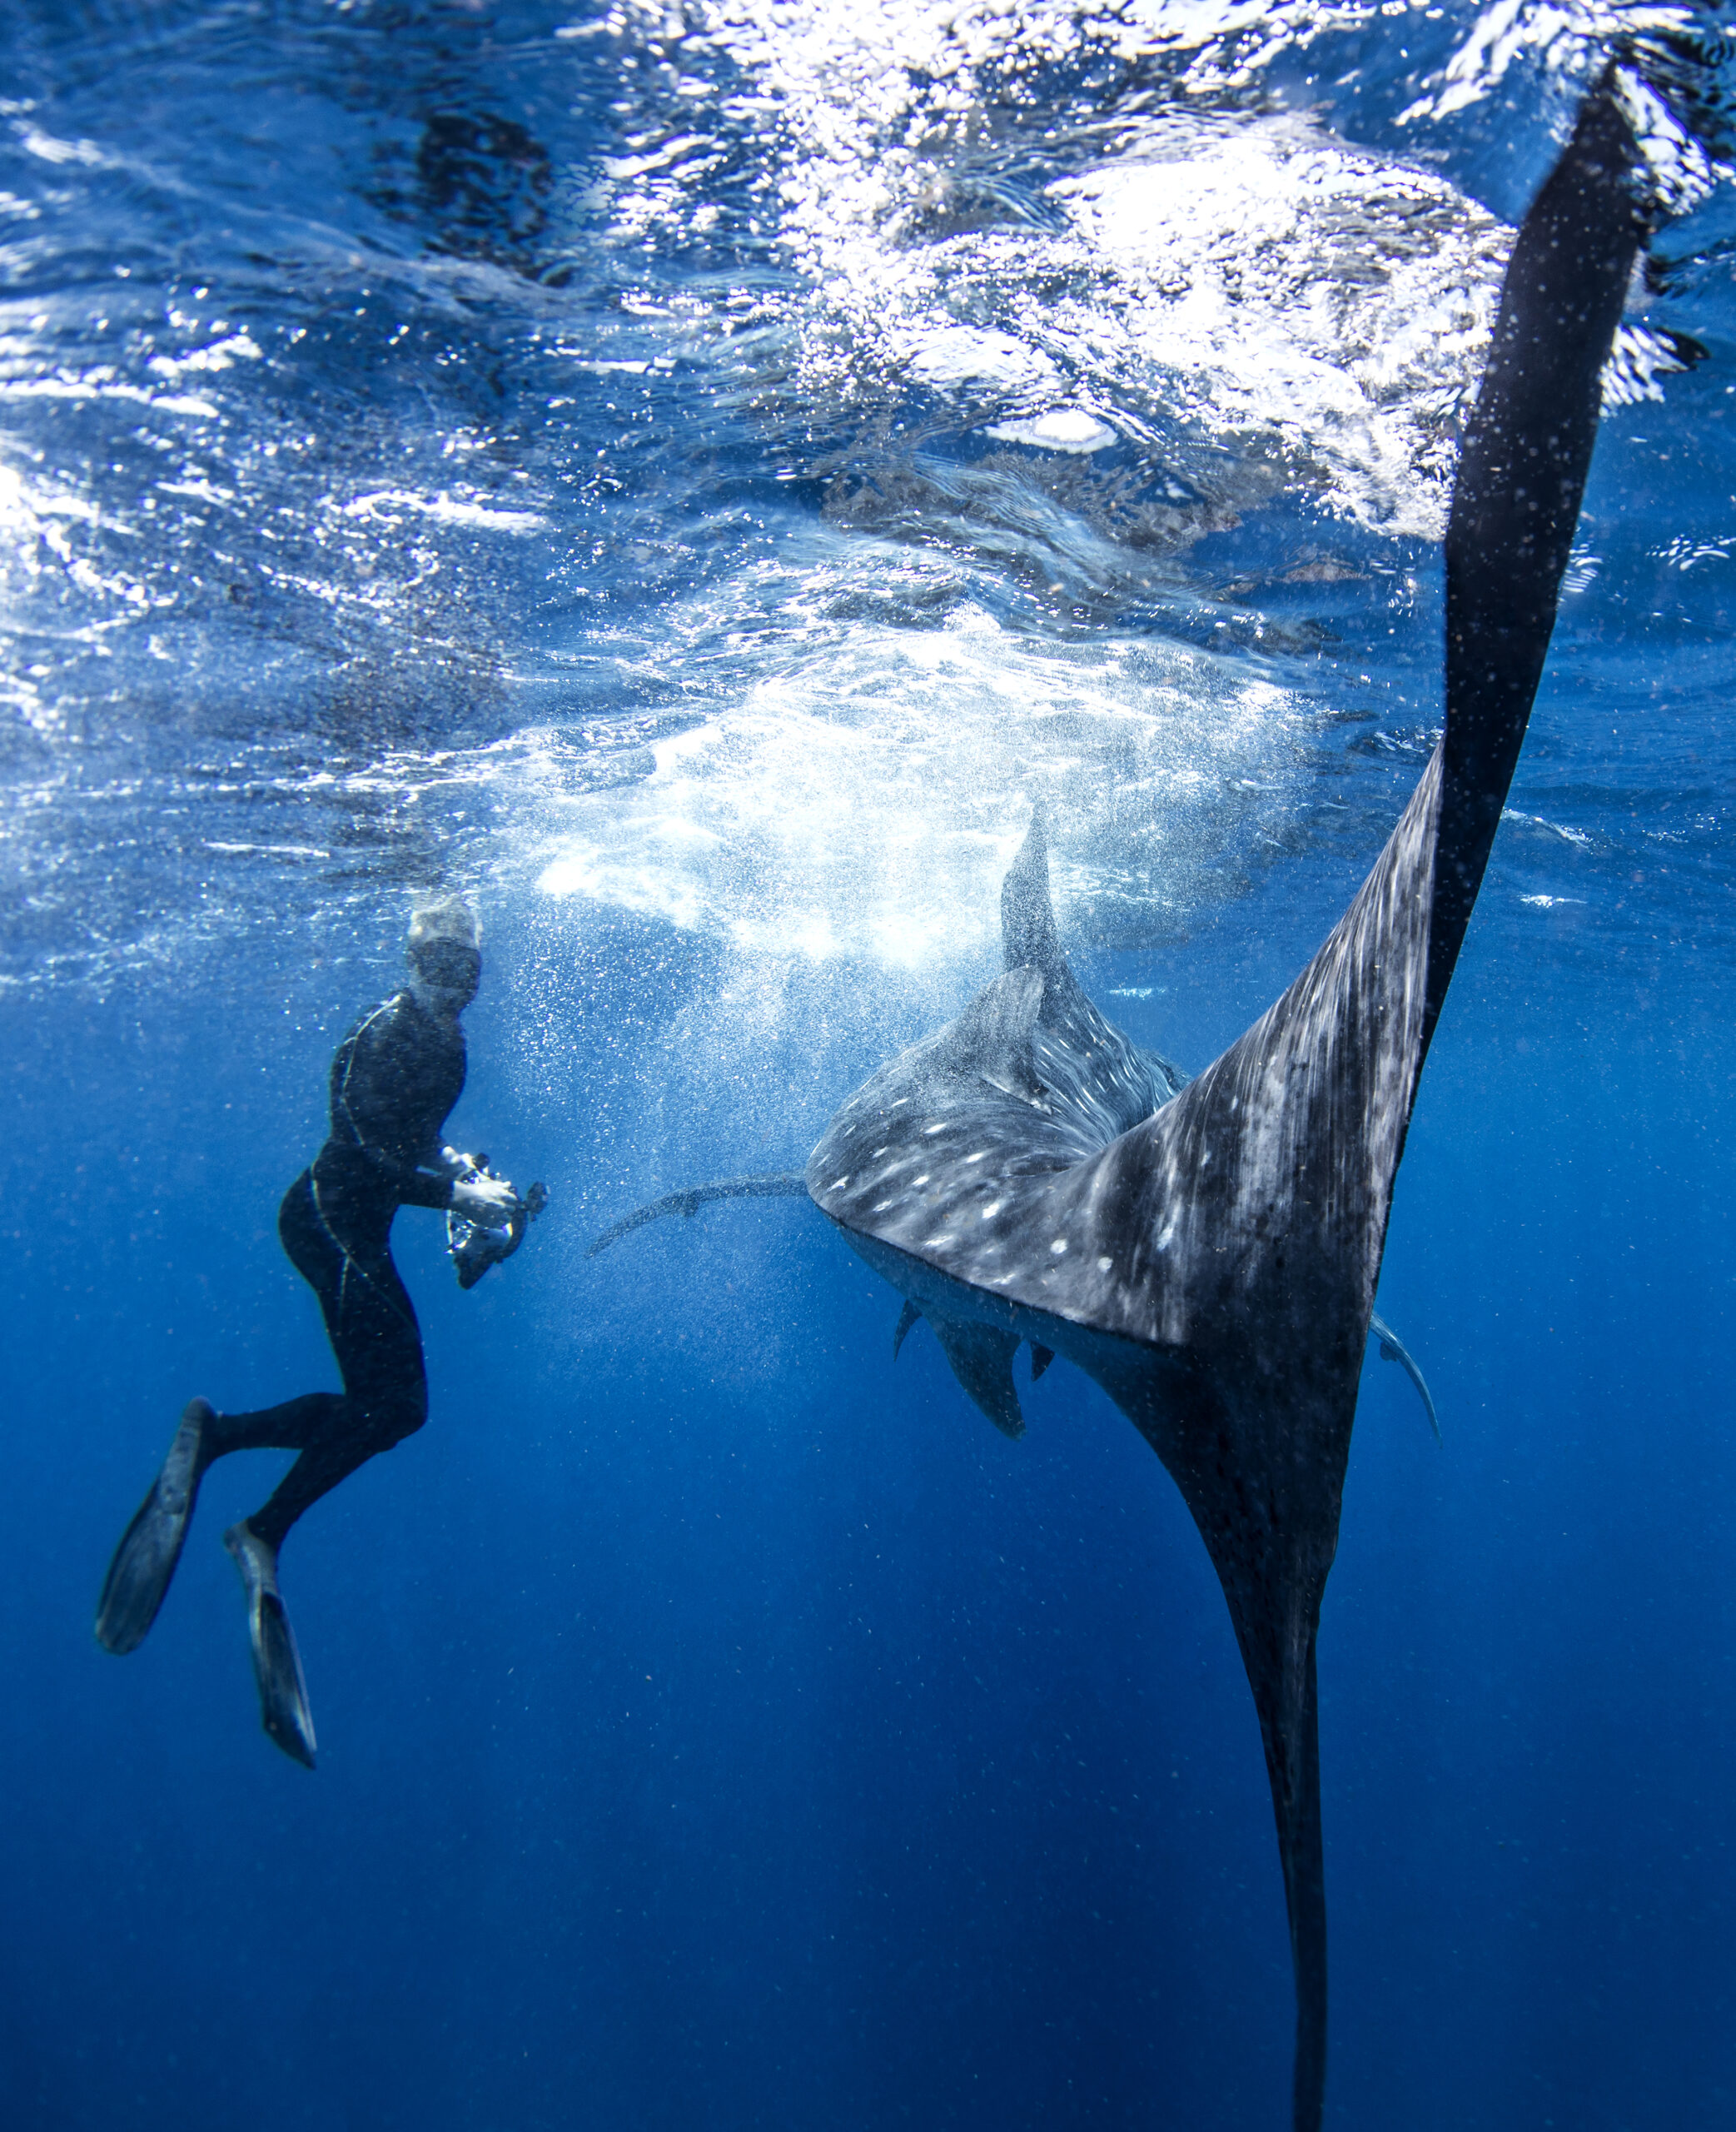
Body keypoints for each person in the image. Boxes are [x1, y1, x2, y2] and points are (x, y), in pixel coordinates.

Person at [95, 895, 525, 1767]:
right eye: (442, 965)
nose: (455, 982)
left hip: (354, 1230)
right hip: (327, 1220)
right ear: (412, 959)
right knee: (394, 1403)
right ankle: (231, 1472)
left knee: (395, 1408)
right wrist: (454, 1196)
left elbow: (419, 1142)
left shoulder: (447, 1043)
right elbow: (361, 1149)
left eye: (468, 970)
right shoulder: (386, 1031)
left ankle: (249, 1503)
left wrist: (469, 1179)